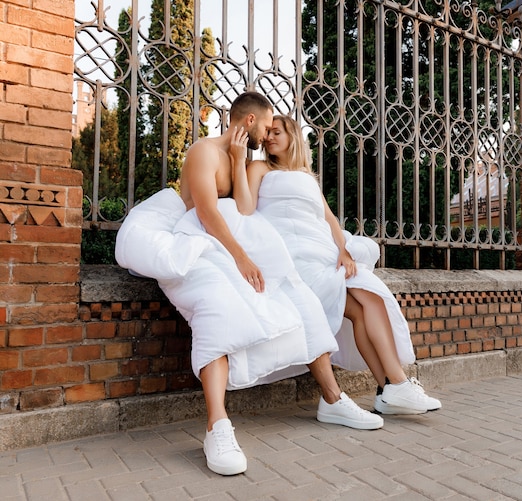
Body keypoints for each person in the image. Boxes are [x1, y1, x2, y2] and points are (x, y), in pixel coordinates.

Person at [115, 93, 382, 478]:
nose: (269, 132)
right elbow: (206, 213)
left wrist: (240, 163)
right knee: (219, 311)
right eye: (267, 125)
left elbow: (243, 208)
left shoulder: (243, 158)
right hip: (201, 243)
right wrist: (240, 257)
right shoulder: (203, 152)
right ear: (250, 121)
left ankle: (333, 400)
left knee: (300, 301)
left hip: (236, 241)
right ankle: (217, 427)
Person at [235, 114, 442, 416]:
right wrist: (238, 159)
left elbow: (328, 218)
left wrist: (343, 251)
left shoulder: (307, 175)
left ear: (293, 136)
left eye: (276, 132)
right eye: (267, 134)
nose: (268, 138)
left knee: (369, 300)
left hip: (323, 249)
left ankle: (391, 388)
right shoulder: (259, 168)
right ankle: (393, 386)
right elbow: (244, 208)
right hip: (294, 255)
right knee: (359, 308)